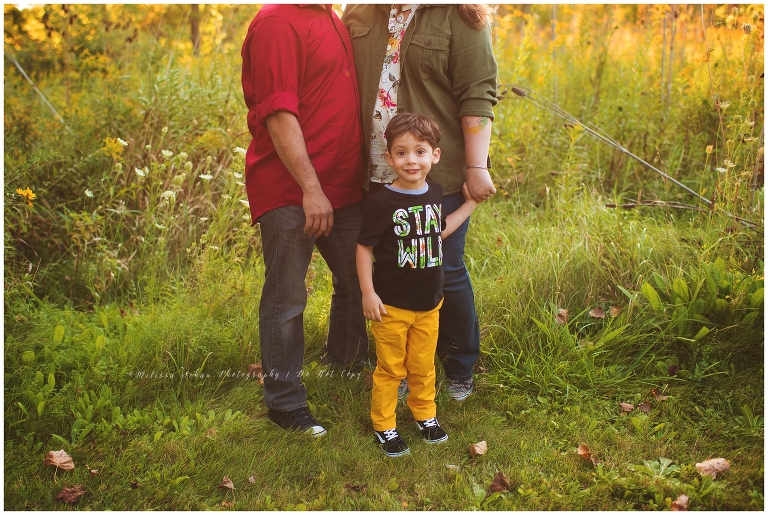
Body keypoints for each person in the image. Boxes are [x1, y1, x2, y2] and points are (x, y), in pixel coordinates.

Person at [343, 4, 498, 401]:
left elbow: (477, 94)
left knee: (443, 266)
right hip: (372, 173)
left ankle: (459, 364)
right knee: (390, 271)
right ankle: (397, 366)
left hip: (433, 176)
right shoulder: (359, 12)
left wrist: (476, 166)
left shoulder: (458, 14)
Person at [241, 4, 369, 437]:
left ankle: (345, 364)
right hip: (291, 189)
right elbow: (279, 115)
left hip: (343, 185)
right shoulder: (277, 22)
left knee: (357, 279)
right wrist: (310, 189)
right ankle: (285, 402)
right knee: (287, 295)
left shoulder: (331, 16)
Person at [357, 113, 478, 457]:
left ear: (434, 156)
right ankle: (385, 425)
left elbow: (439, 232)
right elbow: (364, 247)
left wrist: (470, 204)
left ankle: (425, 416)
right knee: (391, 369)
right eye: (402, 152)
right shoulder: (381, 202)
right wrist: (368, 292)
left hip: (429, 304)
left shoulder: (435, 193)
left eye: (420, 152)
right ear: (389, 157)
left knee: (423, 367)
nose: (411, 160)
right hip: (391, 305)